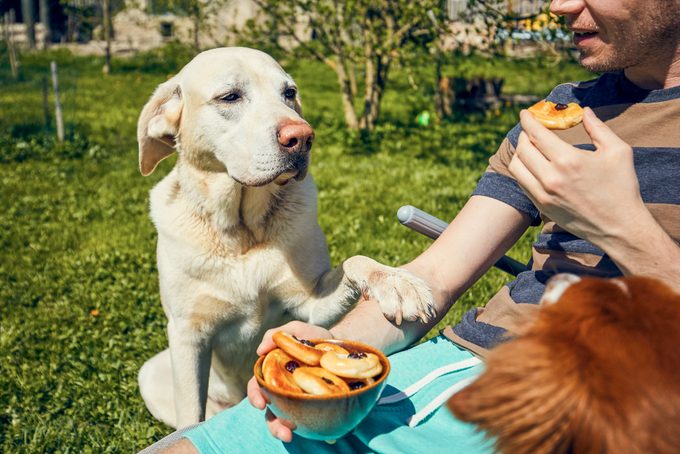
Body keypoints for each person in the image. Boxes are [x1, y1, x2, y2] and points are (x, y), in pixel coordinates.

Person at [143, 0, 680, 452]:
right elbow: (436, 276)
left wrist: (622, 228)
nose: (560, 4)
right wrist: (331, 351)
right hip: (461, 364)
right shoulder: (562, 112)